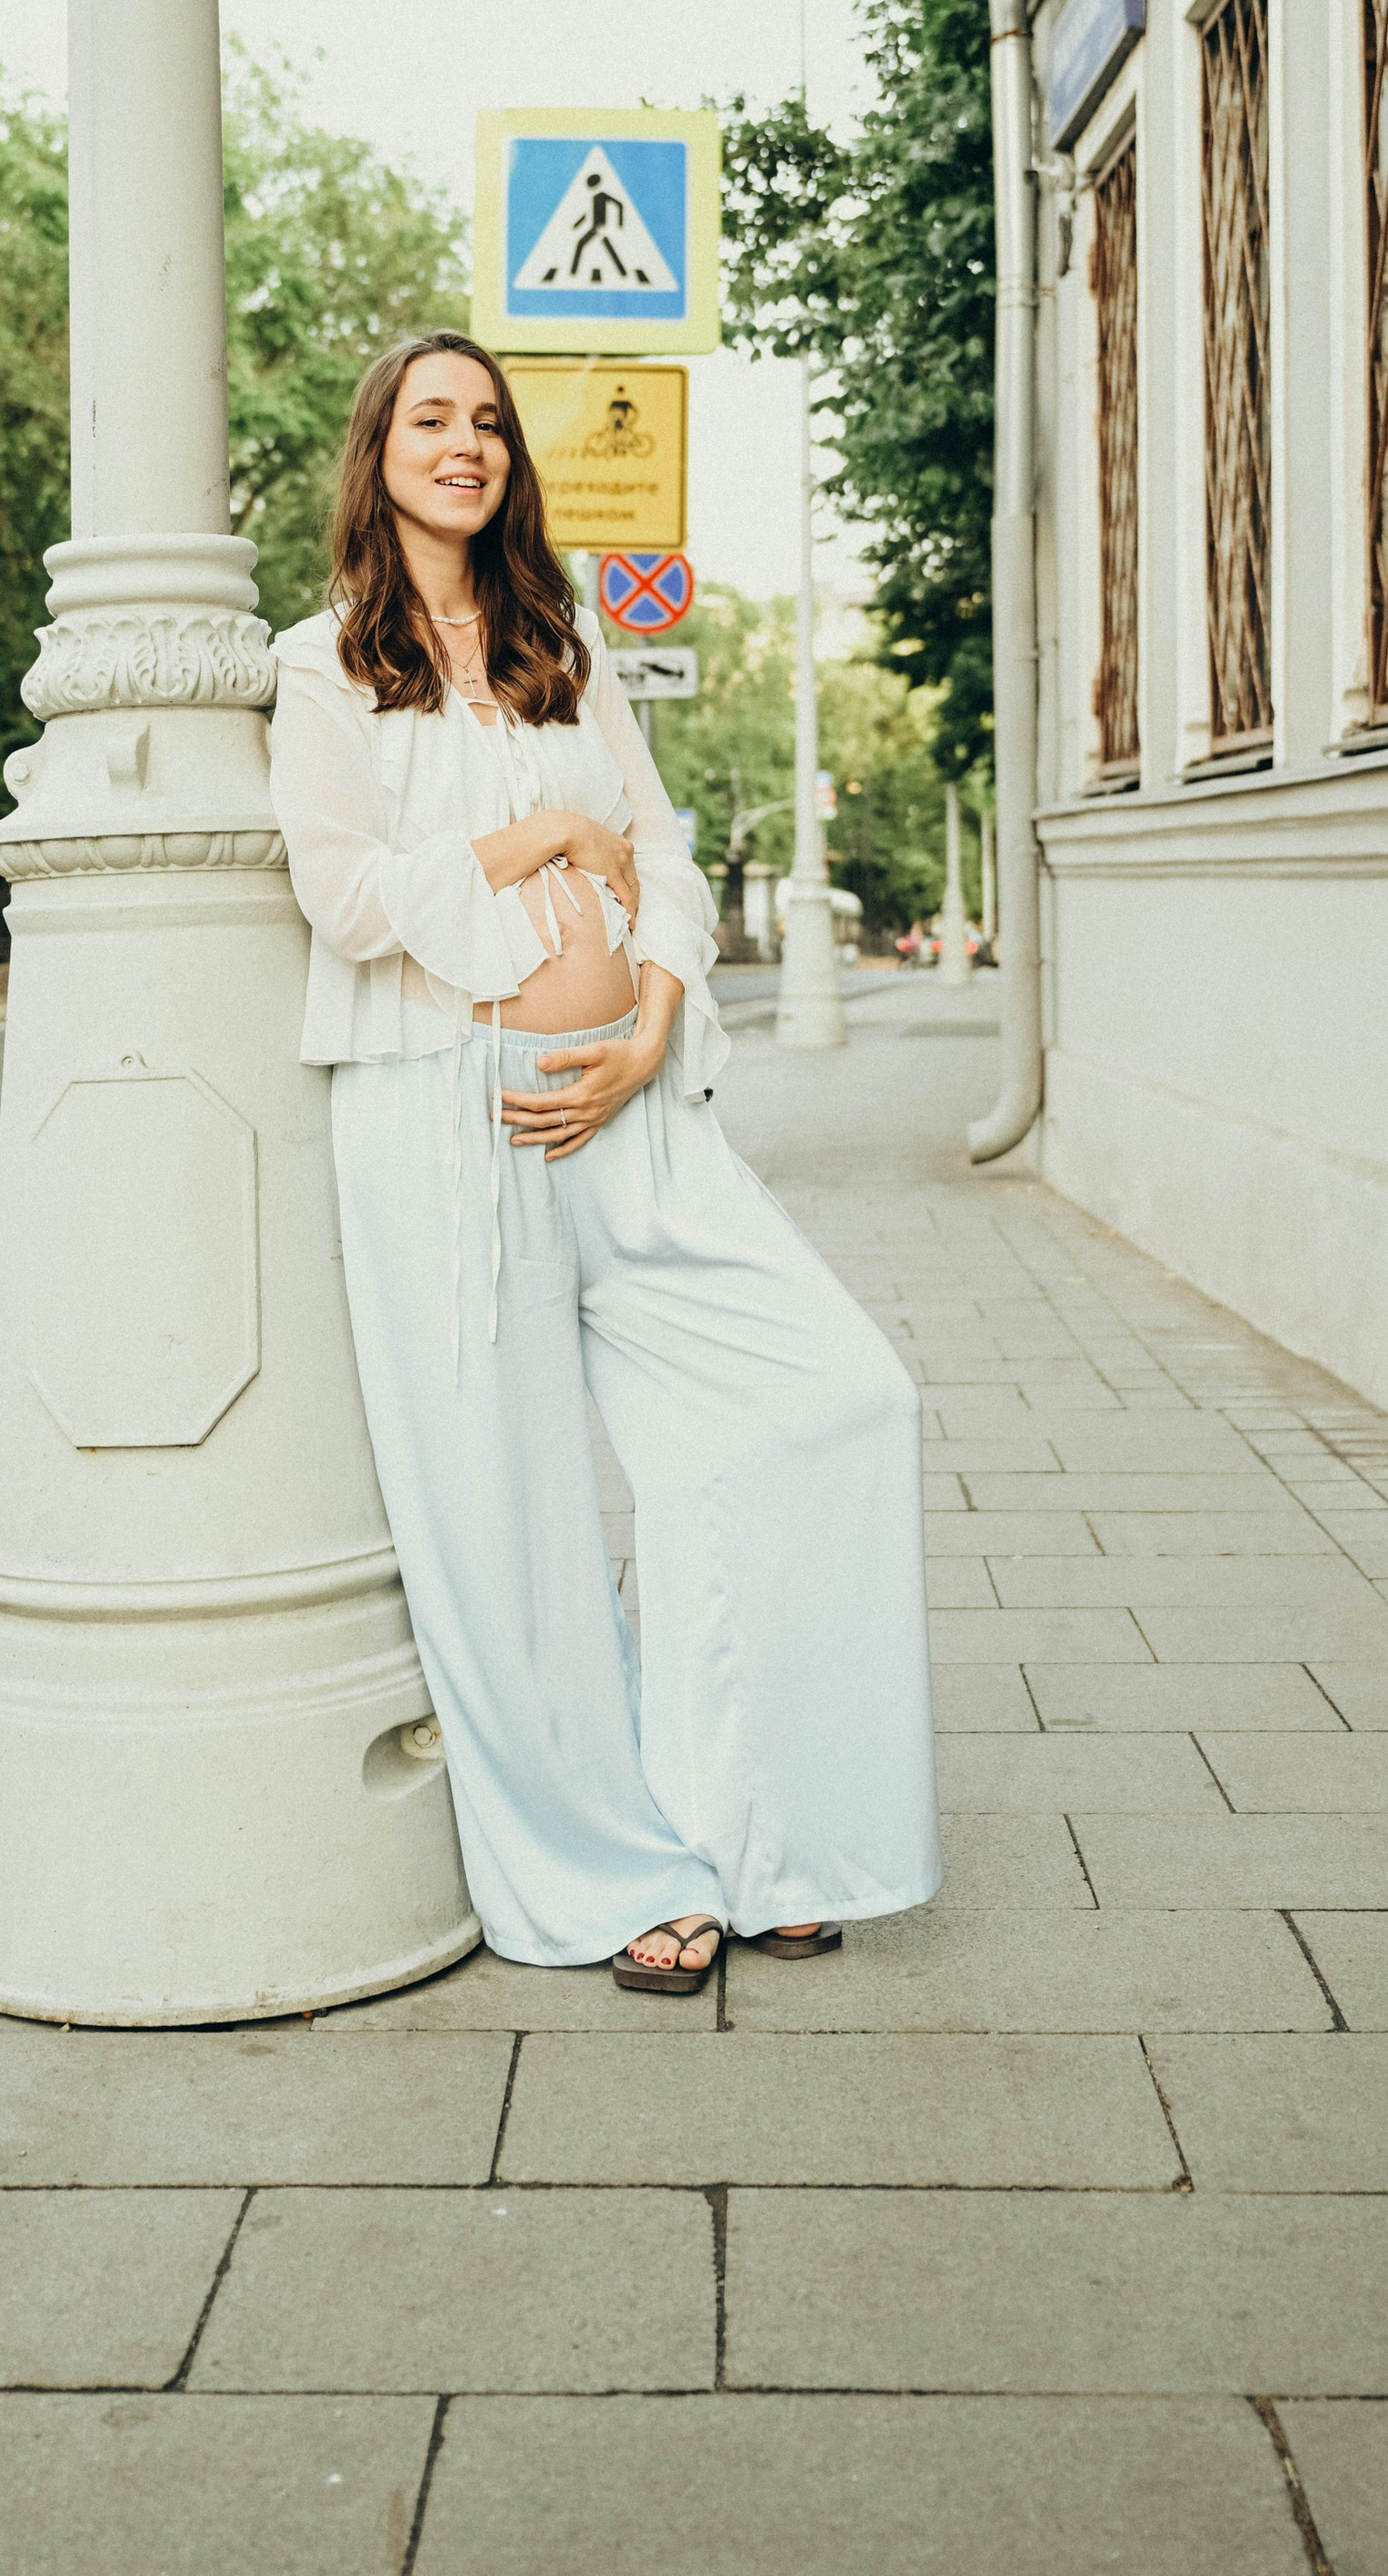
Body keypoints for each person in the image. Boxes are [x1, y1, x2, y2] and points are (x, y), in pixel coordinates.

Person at [267, 332, 939, 1993]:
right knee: (506, 1522)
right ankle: (606, 1871)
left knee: (828, 1398)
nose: (467, 444)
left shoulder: (564, 646)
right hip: (446, 1113)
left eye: (490, 424)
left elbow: (669, 860)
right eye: (433, 419)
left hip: (631, 1108)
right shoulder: (324, 665)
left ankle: (764, 1825)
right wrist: (547, 837)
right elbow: (347, 897)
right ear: (379, 451)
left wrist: (651, 1021)